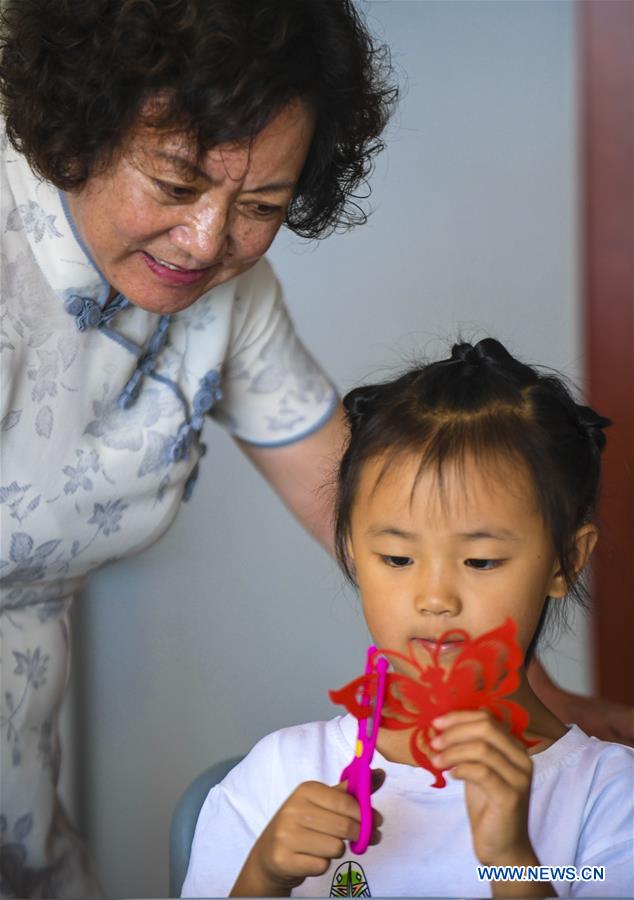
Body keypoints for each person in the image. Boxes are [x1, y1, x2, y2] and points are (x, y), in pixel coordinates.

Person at [0, 0, 631, 896]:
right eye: (176, 186)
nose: (211, 240)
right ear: (78, 132)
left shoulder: (599, 799)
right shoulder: (278, 781)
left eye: (260, 205)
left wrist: (535, 712)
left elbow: (364, 496)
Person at [182, 339, 634, 899]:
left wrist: (513, 863)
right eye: (397, 558)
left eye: (480, 561)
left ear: (566, 561)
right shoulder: (278, 775)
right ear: (351, 551)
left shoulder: (609, 797)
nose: (435, 597)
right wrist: (262, 878)